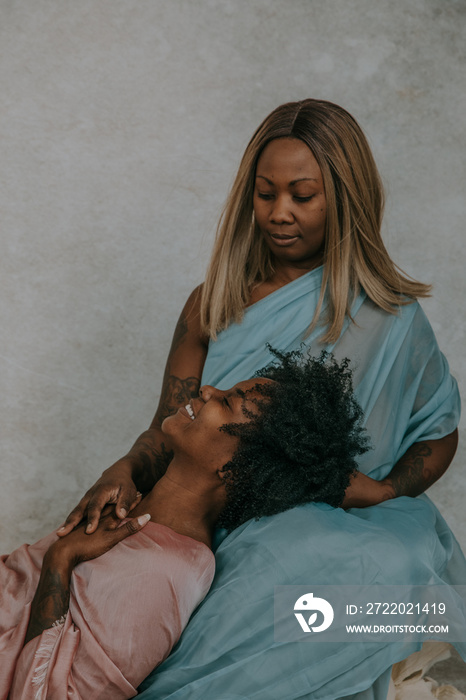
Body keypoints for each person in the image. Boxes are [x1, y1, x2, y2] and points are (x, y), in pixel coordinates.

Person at [58, 100, 465, 699]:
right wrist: (123, 467)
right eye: (265, 193)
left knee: (387, 570)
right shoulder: (214, 303)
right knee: (271, 568)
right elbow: (165, 428)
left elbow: (439, 430)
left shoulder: (392, 316)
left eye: (303, 196)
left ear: (345, 198)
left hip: (349, 512)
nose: (280, 214)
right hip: (233, 510)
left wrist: (384, 490)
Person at [1, 351, 368, 700]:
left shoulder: (167, 570)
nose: (206, 391)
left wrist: (60, 560)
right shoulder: (131, 500)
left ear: (235, 468)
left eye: (226, 402)